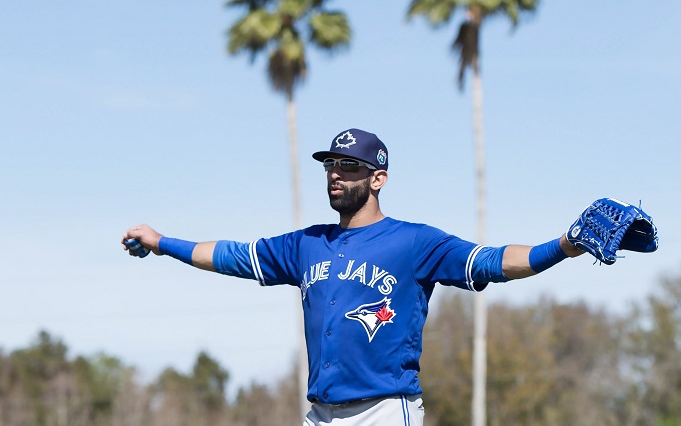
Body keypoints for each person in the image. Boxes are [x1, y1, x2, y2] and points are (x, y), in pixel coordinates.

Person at [122, 128, 584, 425]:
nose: (335, 175)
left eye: (349, 167)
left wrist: (562, 246)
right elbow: (232, 256)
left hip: (383, 411)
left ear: (378, 179)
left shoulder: (414, 241)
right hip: (319, 415)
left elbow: (492, 261)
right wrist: (164, 242)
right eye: (330, 166)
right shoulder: (306, 243)